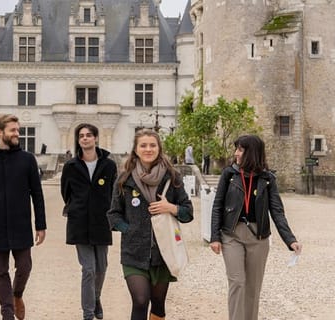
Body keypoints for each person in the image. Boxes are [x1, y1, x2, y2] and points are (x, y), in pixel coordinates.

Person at [209, 135, 301, 320]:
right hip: (231, 235)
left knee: (252, 286)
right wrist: (215, 237)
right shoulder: (229, 175)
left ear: (252, 153)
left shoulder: (268, 179)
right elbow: (217, 205)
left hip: (258, 238)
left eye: (240, 150)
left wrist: (290, 239)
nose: (236, 153)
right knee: (237, 282)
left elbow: (277, 211)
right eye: (236, 149)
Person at [107, 129, 193, 320]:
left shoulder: (172, 177)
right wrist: (128, 230)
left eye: (152, 145)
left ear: (159, 148)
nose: (148, 149)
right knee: (140, 300)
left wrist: (170, 207)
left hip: (163, 253)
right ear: (135, 150)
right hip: (134, 253)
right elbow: (113, 214)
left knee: (158, 303)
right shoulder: (124, 180)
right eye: (143, 145)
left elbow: (188, 213)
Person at [0, 114, 47, 320]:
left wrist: (40, 225)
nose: (18, 133)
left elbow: (37, 194)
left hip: (21, 223)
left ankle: (17, 295)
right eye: (13, 130)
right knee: (1, 271)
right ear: (0, 132)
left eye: (18, 129)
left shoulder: (27, 160)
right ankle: (7, 313)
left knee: (25, 266)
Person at [60, 123, 118, 320]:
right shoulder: (71, 166)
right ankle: (88, 313)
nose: (85, 138)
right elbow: (65, 193)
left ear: (96, 138)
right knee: (89, 269)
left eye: (89, 135)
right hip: (79, 223)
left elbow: (113, 193)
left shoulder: (109, 166)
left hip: (102, 222)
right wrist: (78, 207)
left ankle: (96, 297)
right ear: (78, 140)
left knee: (101, 267)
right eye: (81, 136)